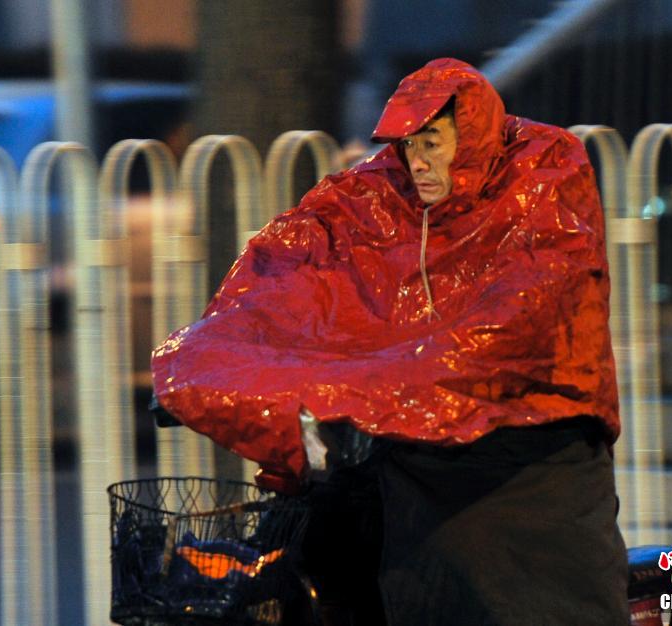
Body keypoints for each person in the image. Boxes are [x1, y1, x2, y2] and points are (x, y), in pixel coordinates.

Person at [152, 58, 629, 624]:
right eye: (408, 145)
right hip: (408, 443)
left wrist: (378, 389)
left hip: (527, 443)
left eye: (432, 141)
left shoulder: (543, 171)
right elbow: (290, 273)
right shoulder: (379, 196)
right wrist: (206, 363)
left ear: (471, 134)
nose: (417, 161)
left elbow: (523, 314)